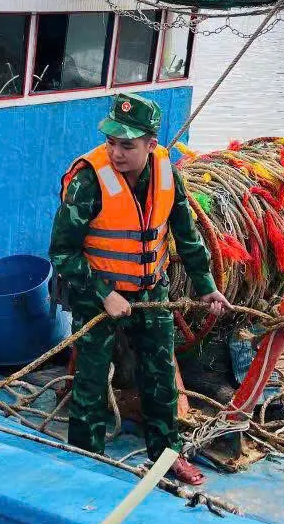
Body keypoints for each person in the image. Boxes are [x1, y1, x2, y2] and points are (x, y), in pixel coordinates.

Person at [50, 92, 229, 485]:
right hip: (97, 294)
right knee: (91, 381)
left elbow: (187, 234)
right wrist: (105, 293)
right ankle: (86, 463)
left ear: (151, 144)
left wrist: (206, 286)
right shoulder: (87, 181)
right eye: (111, 141)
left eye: (127, 145)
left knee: (161, 377)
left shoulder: (167, 174)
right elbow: (62, 253)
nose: (116, 152)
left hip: (151, 293)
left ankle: (167, 457)